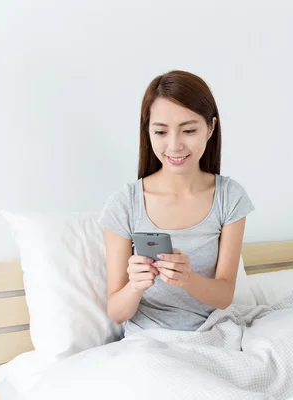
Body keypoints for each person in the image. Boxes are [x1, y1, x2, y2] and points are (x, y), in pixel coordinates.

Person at [98, 70, 255, 336]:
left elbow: (224, 295)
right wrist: (135, 286)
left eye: (189, 130)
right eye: (160, 131)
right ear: (147, 131)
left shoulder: (230, 197)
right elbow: (116, 311)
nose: (174, 145)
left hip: (212, 332)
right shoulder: (125, 204)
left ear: (210, 128)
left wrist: (187, 279)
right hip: (149, 342)